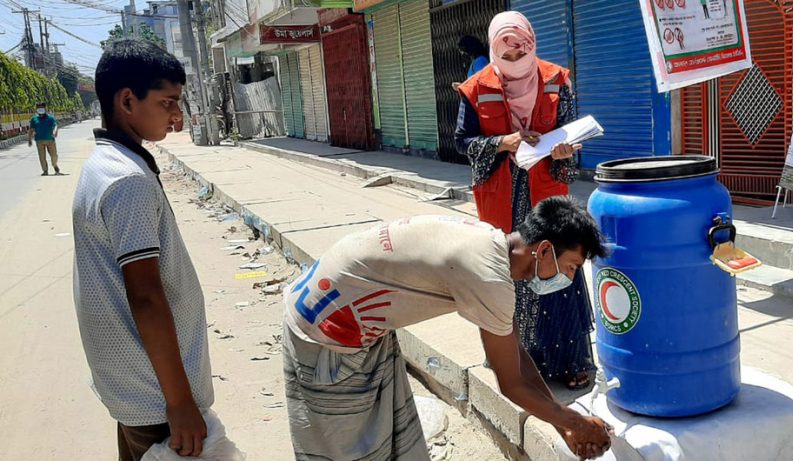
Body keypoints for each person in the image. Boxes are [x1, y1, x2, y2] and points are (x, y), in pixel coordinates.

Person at [282, 197, 613, 460]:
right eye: (570, 267)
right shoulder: (488, 277)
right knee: (348, 447)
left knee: (389, 434)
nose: (569, 279)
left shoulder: (491, 245)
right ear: (542, 250)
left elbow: (517, 358)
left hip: (347, 311)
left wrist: (563, 424)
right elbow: (511, 384)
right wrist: (574, 422)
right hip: (328, 328)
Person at [72, 39, 212, 461]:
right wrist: (180, 404)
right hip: (156, 398)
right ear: (128, 101)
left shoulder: (105, 163)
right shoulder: (126, 181)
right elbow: (146, 297)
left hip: (135, 385)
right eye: (168, 102)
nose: (177, 116)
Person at [455, 11, 595, 390]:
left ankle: (569, 361)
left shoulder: (555, 80)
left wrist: (564, 151)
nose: (514, 63)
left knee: (559, 266)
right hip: (501, 194)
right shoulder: (475, 86)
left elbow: (568, 131)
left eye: (521, 55)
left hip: (545, 192)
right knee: (508, 273)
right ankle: (515, 358)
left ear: (531, 46)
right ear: (494, 51)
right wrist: (504, 142)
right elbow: (462, 141)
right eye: (507, 57)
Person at [28, 101, 60, 176]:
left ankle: (55, 165)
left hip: (50, 140)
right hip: (39, 140)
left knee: (54, 155)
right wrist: (29, 139)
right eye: (38, 108)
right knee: (42, 157)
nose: (40, 109)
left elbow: (55, 125)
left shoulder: (50, 118)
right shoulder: (34, 119)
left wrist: (55, 132)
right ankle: (45, 170)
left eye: (42, 108)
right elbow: (31, 130)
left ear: (45, 108)